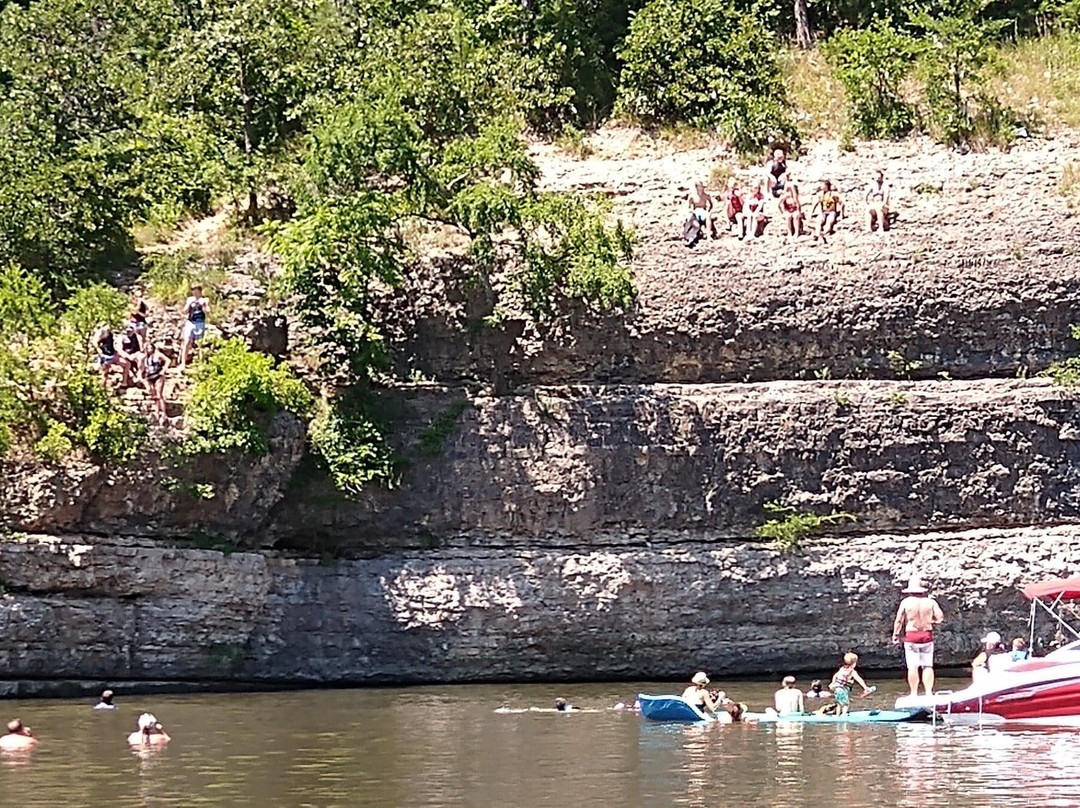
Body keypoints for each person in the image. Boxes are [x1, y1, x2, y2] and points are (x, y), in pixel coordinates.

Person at [892, 576, 945, 697]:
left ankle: (914, 693)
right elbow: (940, 618)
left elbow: (899, 620)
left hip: (911, 636)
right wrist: (931, 621)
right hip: (926, 635)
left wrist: (896, 634)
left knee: (913, 666)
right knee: (927, 665)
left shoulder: (906, 602)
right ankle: (928, 693)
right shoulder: (931, 602)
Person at [138, 341, 170, 426]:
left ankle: (164, 413)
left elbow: (168, 360)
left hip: (158, 376)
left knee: (159, 394)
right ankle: (157, 411)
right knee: (154, 395)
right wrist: (141, 377)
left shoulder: (158, 355)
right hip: (149, 377)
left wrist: (163, 370)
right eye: (148, 348)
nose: (150, 350)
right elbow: (141, 369)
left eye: (151, 348)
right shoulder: (144, 358)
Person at [830, 652, 871, 716]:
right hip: (843, 689)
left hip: (836, 688)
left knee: (839, 703)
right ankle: (844, 715)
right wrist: (865, 687)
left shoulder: (842, 669)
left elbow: (835, 675)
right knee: (846, 704)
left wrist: (832, 683)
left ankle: (837, 715)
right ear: (853, 664)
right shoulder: (852, 671)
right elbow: (859, 679)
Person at [178, 284, 210, 369]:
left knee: (199, 343)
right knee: (187, 341)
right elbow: (184, 311)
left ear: (200, 291)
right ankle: (183, 363)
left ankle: (199, 363)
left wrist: (203, 305)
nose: (194, 293)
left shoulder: (205, 300)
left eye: (196, 291)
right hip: (190, 322)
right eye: (193, 291)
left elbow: (208, 312)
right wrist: (189, 304)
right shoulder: (190, 299)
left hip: (200, 322)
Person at [865, 169, 891, 234]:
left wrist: (883, 203)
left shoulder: (885, 186)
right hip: (875, 203)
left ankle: (881, 228)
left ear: (882, 177)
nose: (878, 179)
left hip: (884, 205)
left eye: (879, 177)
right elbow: (866, 193)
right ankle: (868, 227)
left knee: (879, 209)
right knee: (869, 209)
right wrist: (866, 201)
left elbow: (886, 197)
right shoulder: (873, 185)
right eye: (876, 177)